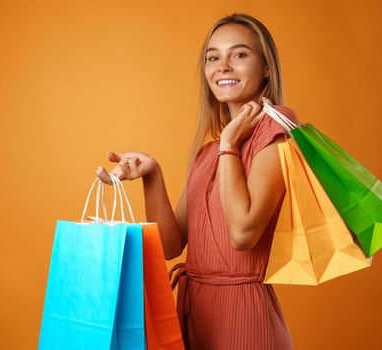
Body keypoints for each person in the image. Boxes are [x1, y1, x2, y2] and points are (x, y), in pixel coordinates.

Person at [97, 13, 299, 350]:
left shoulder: (276, 135)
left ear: (266, 67)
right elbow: (172, 245)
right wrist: (152, 175)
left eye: (239, 54)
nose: (223, 66)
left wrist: (230, 145)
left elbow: (243, 233)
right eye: (213, 57)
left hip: (243, 316)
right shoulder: (209, 153)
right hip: (196, 314)